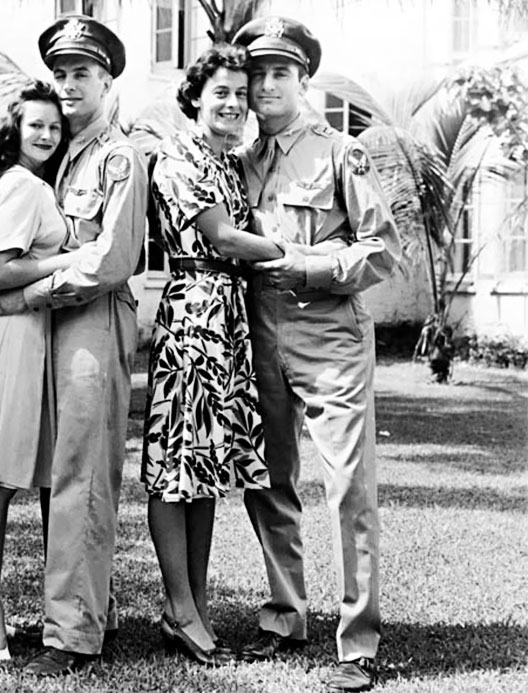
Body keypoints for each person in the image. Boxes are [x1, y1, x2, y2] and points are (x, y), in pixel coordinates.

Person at [233, 16, 401, 692]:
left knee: (347, 488)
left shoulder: (339, 152)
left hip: (328, 333)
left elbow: (382, 249)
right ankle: (284, 616)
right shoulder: (240, 160)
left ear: (302, 78)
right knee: (270, 480)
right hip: (260, 333)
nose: (266, 84)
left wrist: (307, 266)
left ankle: (357, 641)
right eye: (257, 73)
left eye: (280, 71)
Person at [0, 15, 148, 676]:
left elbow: (110, 260)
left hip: (93, 320)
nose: (71, 85)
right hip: (48, 329)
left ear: (108, 81)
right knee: (54, 470)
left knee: (80, 473)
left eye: (84, 73)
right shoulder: (48, 154)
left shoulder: (117, 157)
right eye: (62, 73)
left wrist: (26, 294)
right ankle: (67, 608)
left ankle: (73, 633)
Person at [141, 44, 276, 668]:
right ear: (195, 96)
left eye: (241, 96)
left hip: (228, 314)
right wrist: (289, 249)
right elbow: (220, 236)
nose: (232, 104)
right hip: (194, 312)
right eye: (220, 92)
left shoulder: (224, 163)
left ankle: (192, 603)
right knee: (176, 466)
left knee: (206, 468)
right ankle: (179, 604)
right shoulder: (178, 157)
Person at [0, 80, 75, 665]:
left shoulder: (25, 184)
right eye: (36, 126)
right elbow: (2, 271)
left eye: (55, 126)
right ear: (14, 132)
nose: (47, 135)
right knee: (0, 476)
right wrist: (77, 256)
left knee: (2, 473)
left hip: (23, 335)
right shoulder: (24, 186)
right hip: (12, 336)